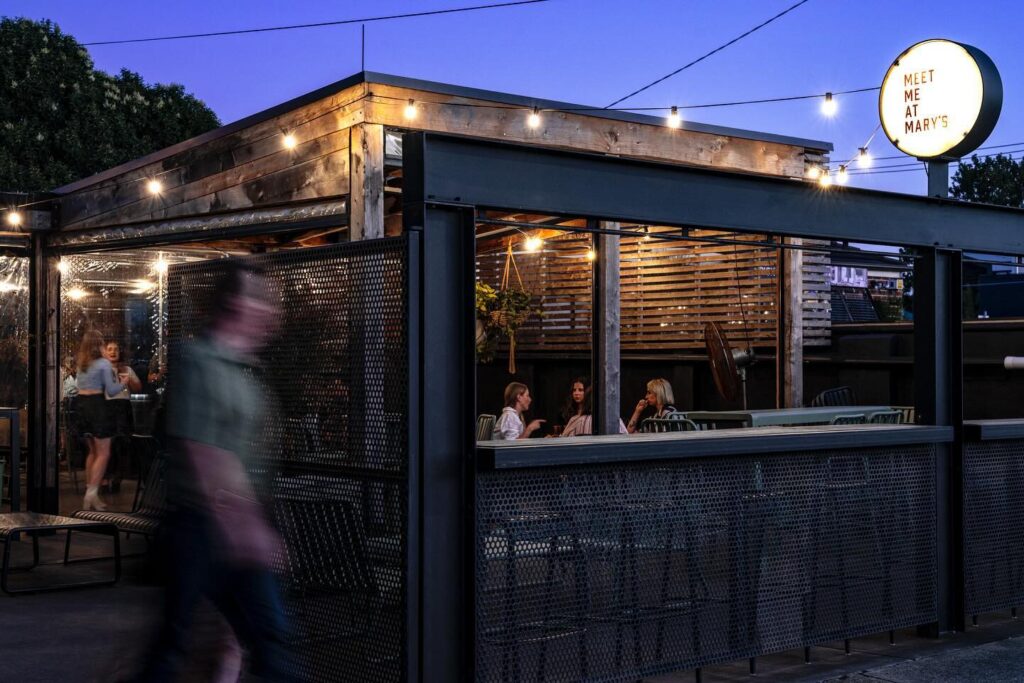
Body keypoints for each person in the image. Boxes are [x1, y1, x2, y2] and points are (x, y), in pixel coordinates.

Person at [134, 260, 293, 682]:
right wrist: (249, 528)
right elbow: (205, 453)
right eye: (263, 300)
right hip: (203, 528)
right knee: (182, 643)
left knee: (260, 641)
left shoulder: (250, 371)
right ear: (235, 303)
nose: (273, 310)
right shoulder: (199, 361)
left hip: (232, 526)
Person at [75, 329, 130, 511]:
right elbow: (111, 391)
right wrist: (123, 383)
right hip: (97, 407)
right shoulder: (103, 364)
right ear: (99, 344)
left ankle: (91, 494)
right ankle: (91, 493)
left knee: (92, 452)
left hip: (81, 406)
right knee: (104, 453)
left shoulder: (82, 364)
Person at [102, 341, 143, 492]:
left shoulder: (127, 369)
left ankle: (117, 478)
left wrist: (127, 379)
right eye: (110, 349)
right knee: (107, 445)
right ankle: (105, 479)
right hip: (107, 408)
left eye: (116, 349)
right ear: (105, 352)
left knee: (122, 445)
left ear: (120, 352)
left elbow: (138, 387)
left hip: (123, 408)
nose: (113, 352)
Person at [560, 379, 627, 436]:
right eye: (574, 390)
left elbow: (564, 439)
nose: (576, 393)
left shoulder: (577, 421)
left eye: (580, 390)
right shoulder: (573, 418)